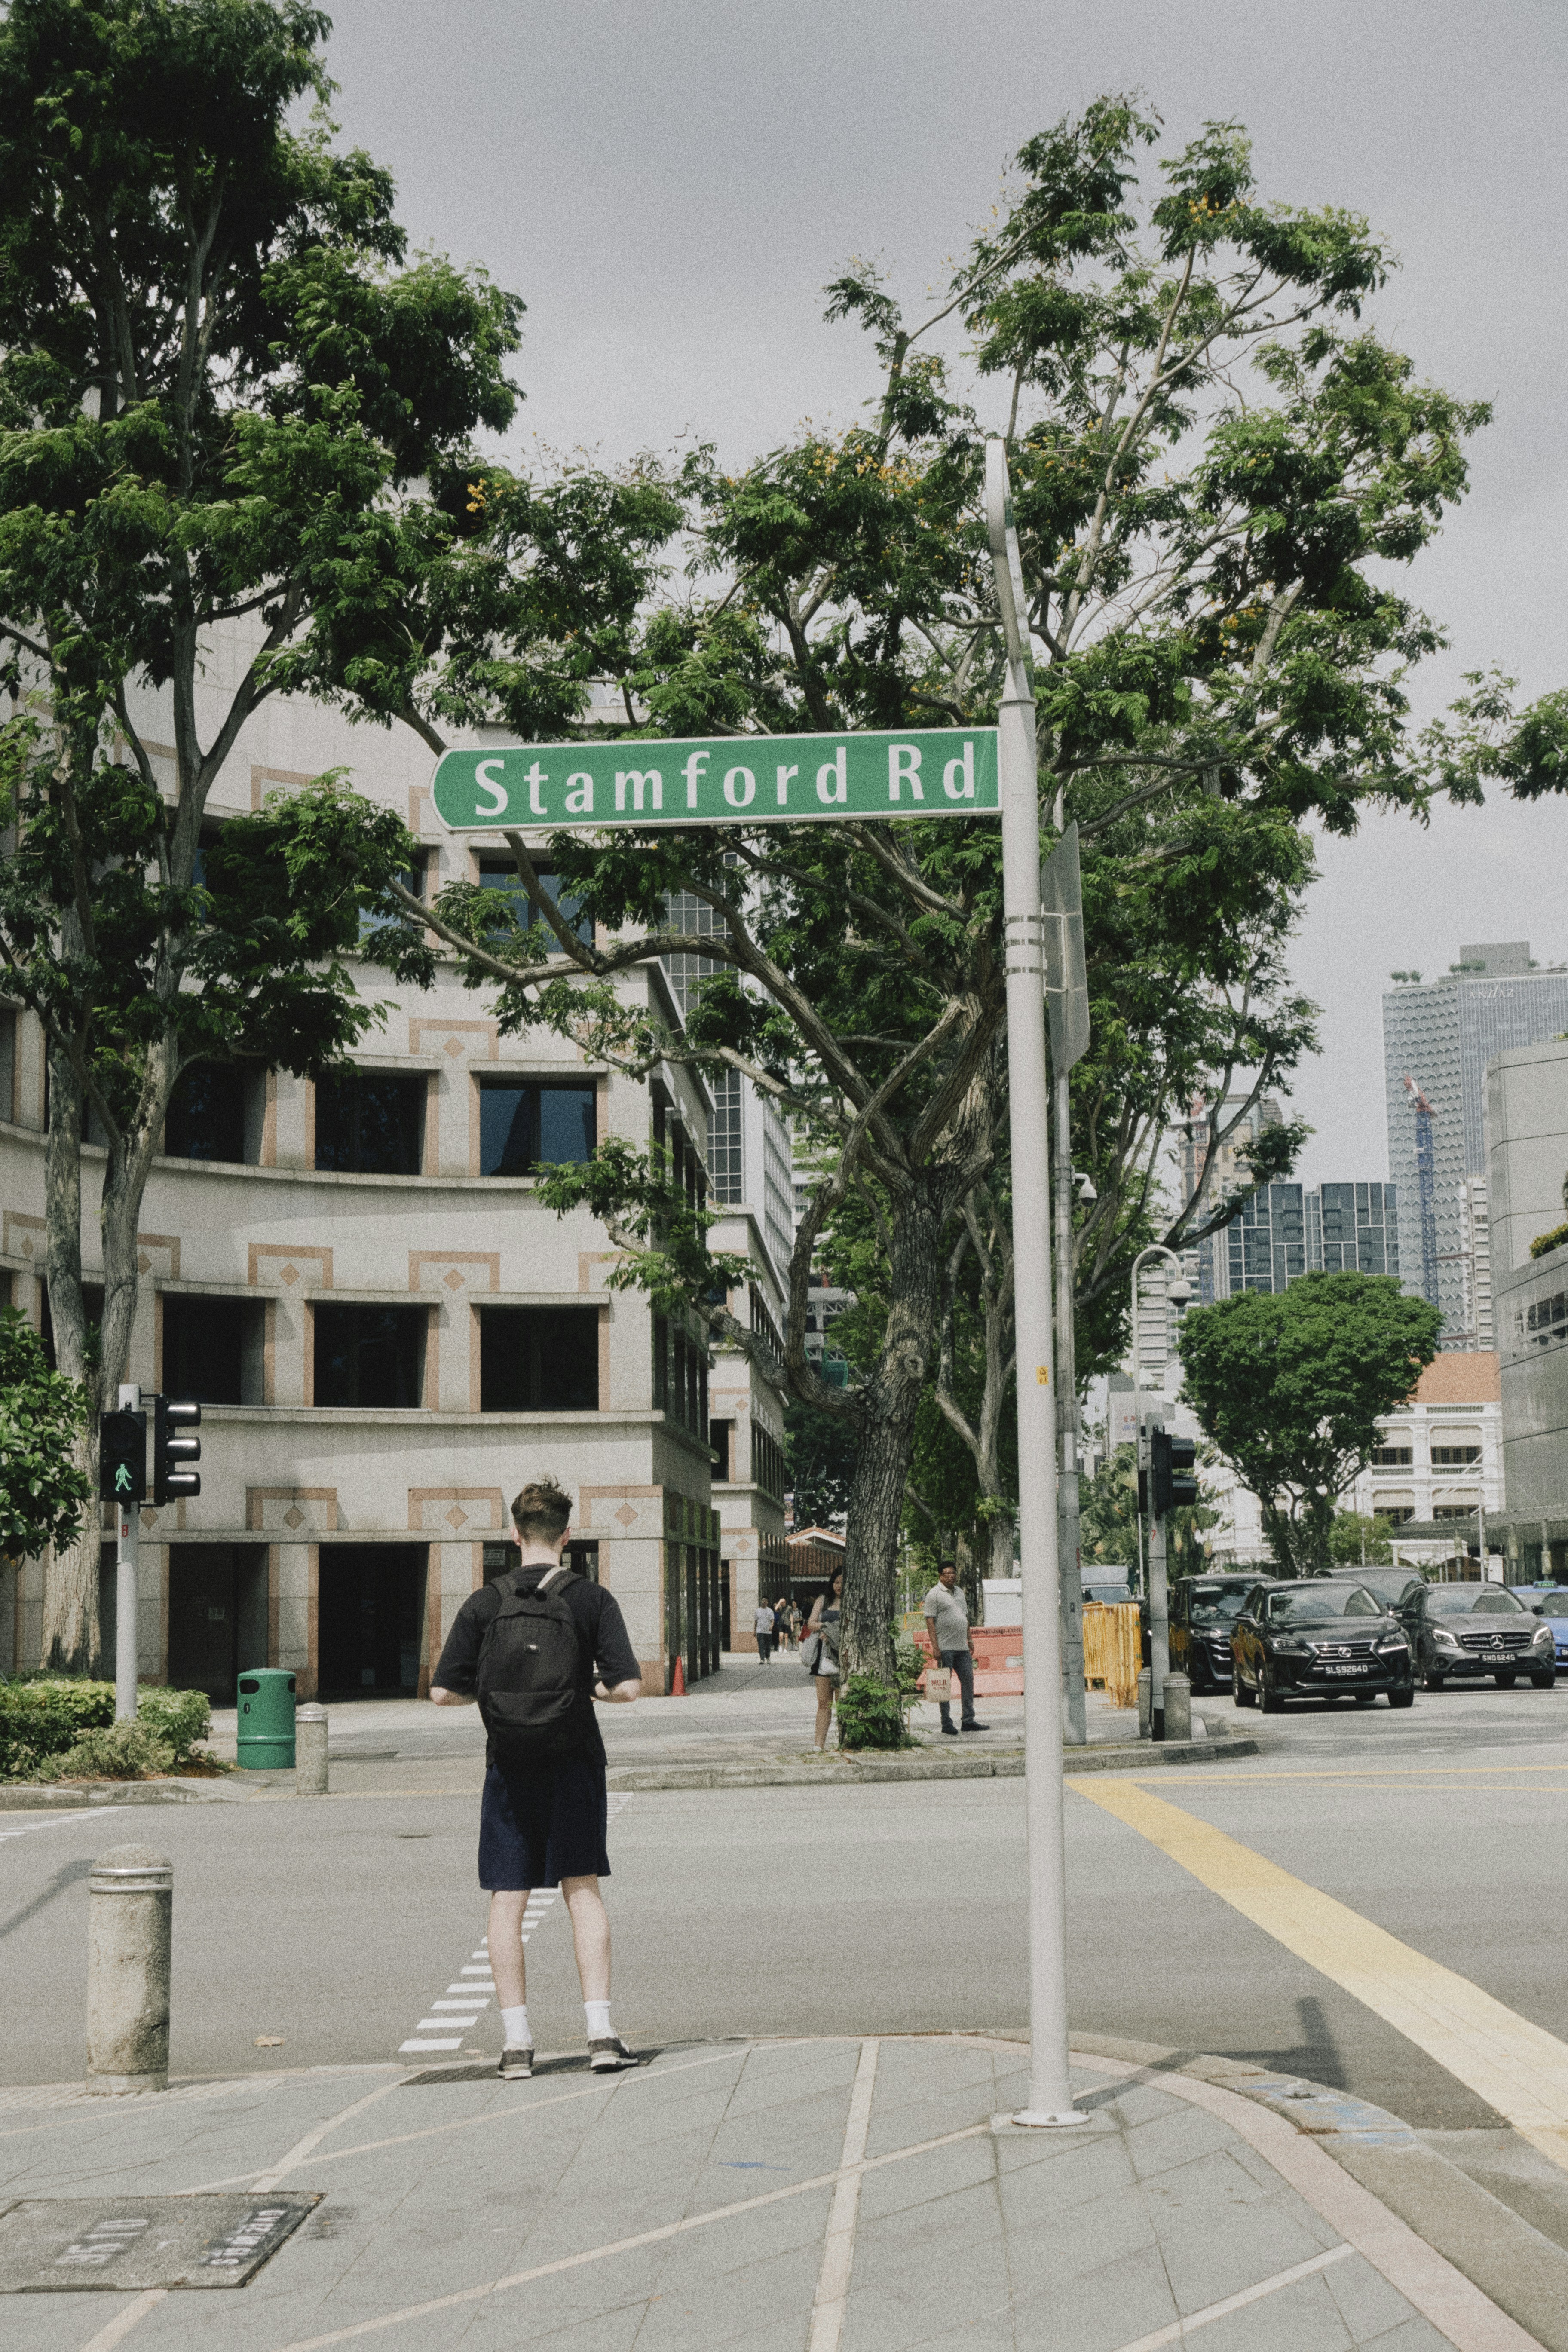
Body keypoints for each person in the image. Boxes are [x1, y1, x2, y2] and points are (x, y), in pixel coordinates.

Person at [430, 1476, 644, 2081]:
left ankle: (517, 2045)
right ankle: (601, 2033)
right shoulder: (590, 1599)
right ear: (568, 1536)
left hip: (509, 1765)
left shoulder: (485, 1601)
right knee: (582, 1890)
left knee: (509, 1897)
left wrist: (496, 1696)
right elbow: (628, 1686)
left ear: (514, 1534)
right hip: (574, 1760)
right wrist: (587, 1691)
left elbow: (443, 1691)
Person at [923, 1559, 989, 1736]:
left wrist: (970, 1640)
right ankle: (946, 1723)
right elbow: (930, 1621)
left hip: (962, 1647)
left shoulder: (959, 1592)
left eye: (954, 1573)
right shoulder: (934, 1594)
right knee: (943, 1685)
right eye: (947, 1573)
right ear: (940, 1575)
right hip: (945, 1648)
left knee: (968, 1681)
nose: (951, 1576)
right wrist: (935, 1647)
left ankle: (968, 1720)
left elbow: (964, 1617)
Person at [805, 1568, 844, 1750]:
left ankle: (845, 1743)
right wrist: (825, 1627)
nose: (839, 1586)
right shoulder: (823, 1600)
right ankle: (818, 1745)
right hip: (823, 1659)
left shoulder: (852, 1601)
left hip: (845, 1659)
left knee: (843, 1704)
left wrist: (834, 1632)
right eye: (836, 1582)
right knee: (824, 1703)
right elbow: (811, 1623)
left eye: (843, 1583)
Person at [753, 1599, 775, 1663]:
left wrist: (771, 1626)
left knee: (768, 1646)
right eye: (763, 1600)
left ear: (767, 1602)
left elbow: (772, 1620)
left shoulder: (770, 1611)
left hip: (768, 1632)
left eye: (765, 1601)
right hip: (760, 1631)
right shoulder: (757, 1611)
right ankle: (762, 1659)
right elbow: (756, 1621)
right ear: (761, 1602)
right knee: (761, 1645)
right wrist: (755, 1631)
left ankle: (768, 1657)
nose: (764, 1602)